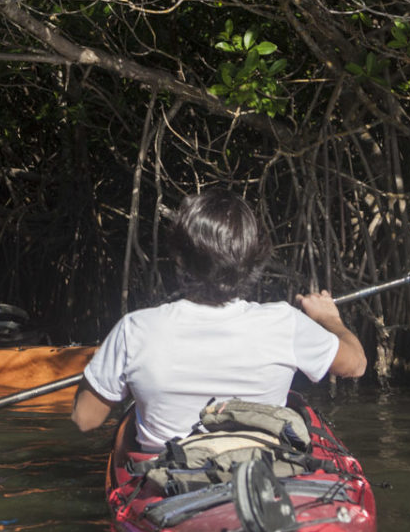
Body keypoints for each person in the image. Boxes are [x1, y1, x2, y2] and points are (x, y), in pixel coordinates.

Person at [71, 191, 365, 451]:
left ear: (180, 258)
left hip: (170, 484)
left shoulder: (134, 329)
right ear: (253, 260)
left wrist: (100, 376)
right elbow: (356, 365)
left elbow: (85, 420)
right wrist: (329, 319)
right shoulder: (285, 322)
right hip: (263, 473)